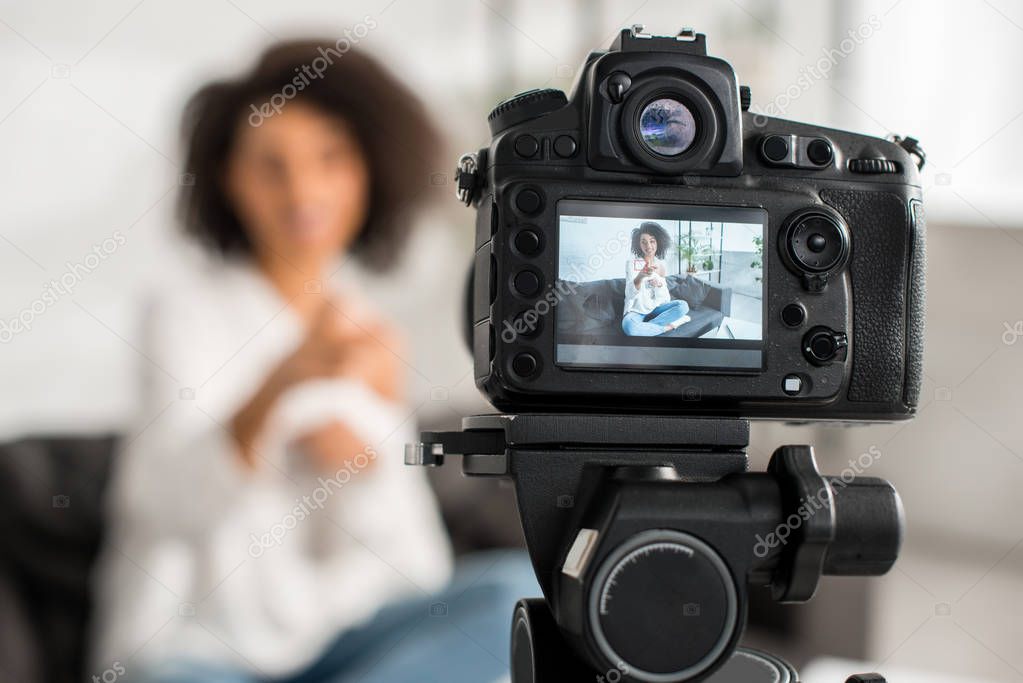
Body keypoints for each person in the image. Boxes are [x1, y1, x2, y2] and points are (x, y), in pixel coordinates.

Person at [90, 40, 536, 683]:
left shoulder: (370, 329)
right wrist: (277, 387)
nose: (303, 190)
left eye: (330, 159)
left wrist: (368, 464)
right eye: (271, 166)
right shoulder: (180, 310)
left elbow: (417, 566)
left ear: (367, 170)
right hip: (199, 652)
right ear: (227, 178)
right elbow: (157, 502)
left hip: (343, 646)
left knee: (512, 597)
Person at [621, 222, 690, 336]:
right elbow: (629, 294)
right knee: (629, 327)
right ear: (639, 245)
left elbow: (665, 299)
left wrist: (659, 286)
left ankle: (647, 328)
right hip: (637, 311)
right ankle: (668, 326)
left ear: (658, 242)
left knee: (683, 306)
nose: (648, 246)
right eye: (644, 242)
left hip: (656, 309)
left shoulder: (661, 265)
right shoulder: (632, 263)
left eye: (652, 241)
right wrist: (641, 276)